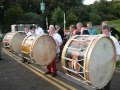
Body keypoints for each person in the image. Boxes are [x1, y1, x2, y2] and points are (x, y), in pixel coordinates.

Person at [99, 25, 120, 90]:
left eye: (105, 32)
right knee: (100, 75)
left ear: (109, 31)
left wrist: (117, 56)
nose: (104, 33)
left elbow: (118, 50)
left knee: (107, 76)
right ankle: (99, 87)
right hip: (101, 61)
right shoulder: (100, 38)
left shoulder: (113, 39)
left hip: (109, 61)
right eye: (103, 32)